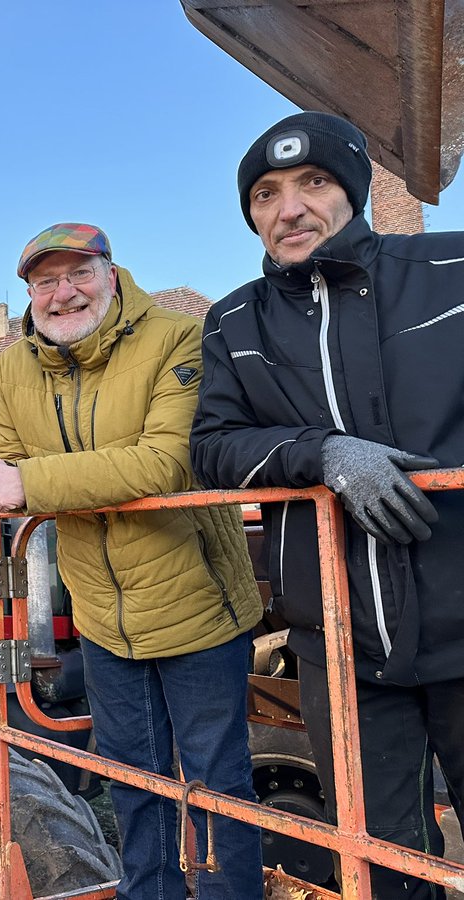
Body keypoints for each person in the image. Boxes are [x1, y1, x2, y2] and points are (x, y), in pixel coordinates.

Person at [191, 111, 464, 899]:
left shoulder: (447, 270)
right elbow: (212, 445)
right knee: (381, 865)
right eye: (268, 193)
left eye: (313, 183)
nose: (290, 208)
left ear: (353, 192)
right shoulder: (236, 322)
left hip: (462, 617)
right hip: (340, 650)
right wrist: (324, 455)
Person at [0, 223, 264, 899]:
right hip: (100, 612)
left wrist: (28, 483)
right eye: (45, 281)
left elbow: (166, 460)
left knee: (215, 780)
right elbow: (13, 458)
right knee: (130, 775)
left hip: (195, 603)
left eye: (78, 274)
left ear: (110, 271)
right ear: (29, 292)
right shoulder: (13, 367)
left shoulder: (177, 337)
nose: (62, 293)